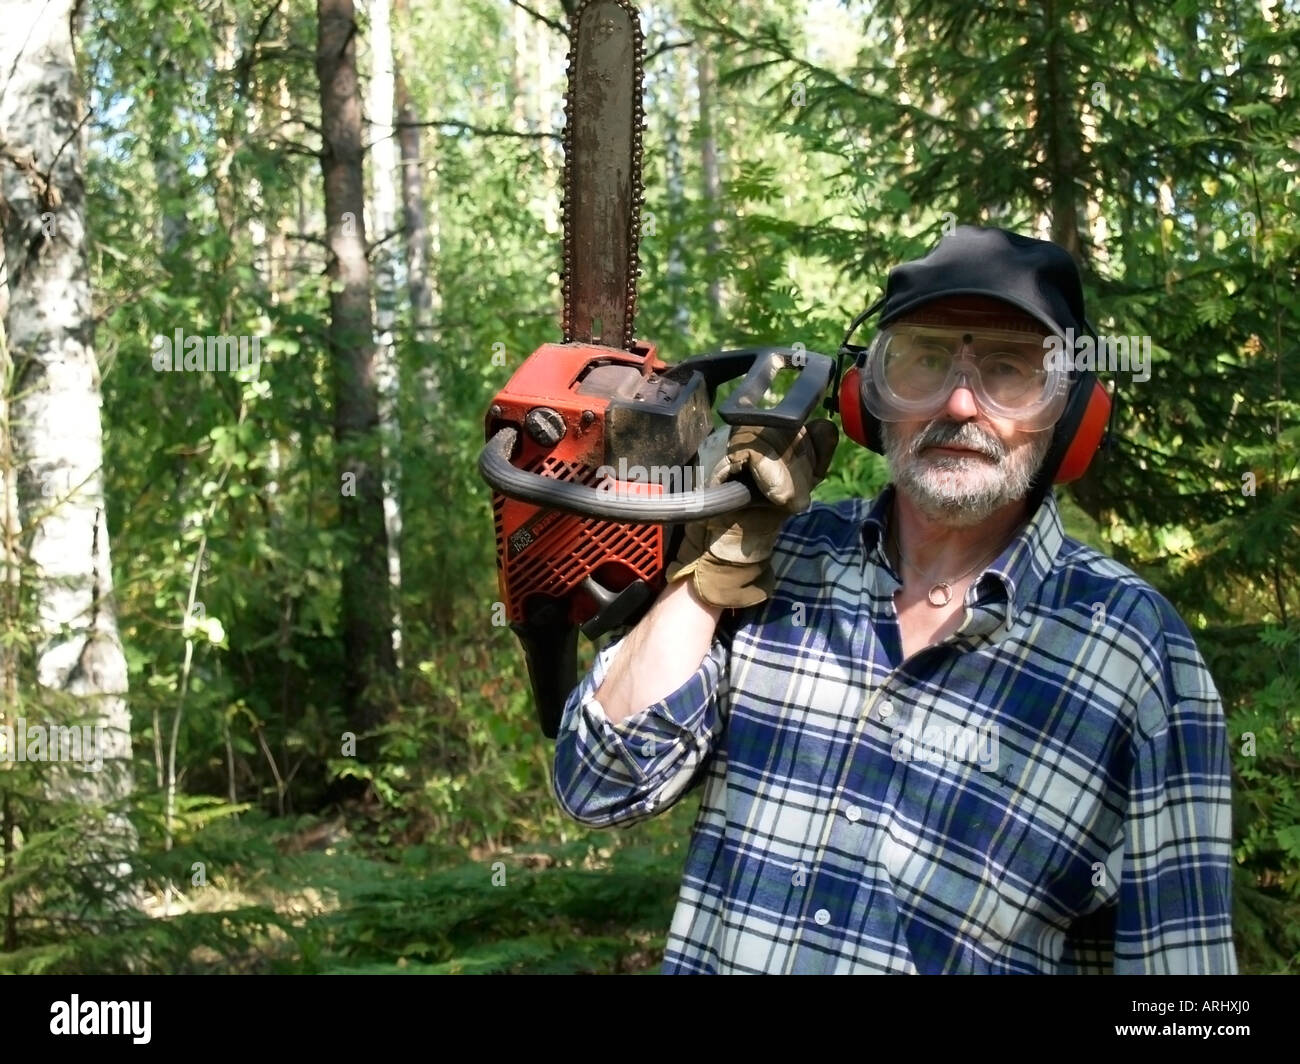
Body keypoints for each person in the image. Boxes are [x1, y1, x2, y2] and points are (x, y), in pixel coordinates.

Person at [551, 226, 1237, 975]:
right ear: (865, 399)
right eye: (924, 361)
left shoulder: (1138, 656)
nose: (961, 403)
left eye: (1011, 372)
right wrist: (704, 576)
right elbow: (598, 781)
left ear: (1071, 417)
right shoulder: (782, 562)